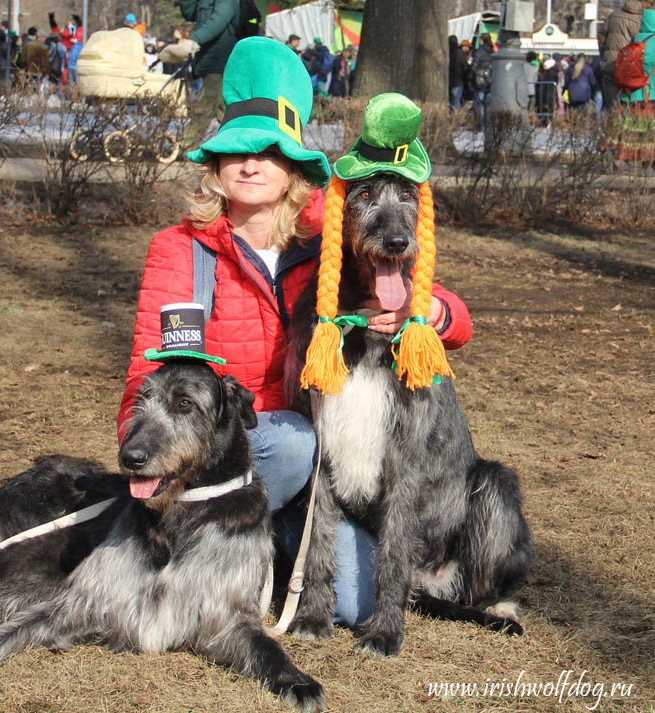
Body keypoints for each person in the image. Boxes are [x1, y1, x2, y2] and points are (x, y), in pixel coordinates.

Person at [118, 37, 473, 628]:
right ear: (215, 167)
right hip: (236, 449)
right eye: (236, 152)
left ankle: (268, 560)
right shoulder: (179, 250)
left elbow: (442, 310)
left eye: (269, 152)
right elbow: (146, 381)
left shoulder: (325, 239)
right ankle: (199, 551)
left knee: (354, 603)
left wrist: (432, 310)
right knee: (289, 443)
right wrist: (149, 455)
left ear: (292, 171)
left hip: (316, 470)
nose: (251, 164)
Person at [175, 0, 240, 147]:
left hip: (220, 60)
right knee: (223, 109)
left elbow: (219, 19)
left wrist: (194, 39)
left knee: (206, 104)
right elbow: (190, 14)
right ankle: (236, 145)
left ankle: (184, 145)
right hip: (208, 58)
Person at [606, 9, 655, 161]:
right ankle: (647, 163)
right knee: (649, 132)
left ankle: (626, 159)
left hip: (629, 94)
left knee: (630, 132)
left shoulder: (635, 40)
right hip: (650, 93)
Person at [597, 0, 644, 109]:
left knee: (611, 106)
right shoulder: (642, 20)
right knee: (631, 106)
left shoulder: (613, 16)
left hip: (610, 65)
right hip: (631, 68)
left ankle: (611, 124)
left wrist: (605, 55)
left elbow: (601, 37)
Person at [470, 33, 494, 129]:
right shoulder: (493, 52)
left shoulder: (479, 52)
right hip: (490, 82)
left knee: (479, 104)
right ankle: (487, 124)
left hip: (479, 82)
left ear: (482, 40)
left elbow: (474, 67)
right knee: (487, 105)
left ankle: (479, 124)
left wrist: (471, 79)